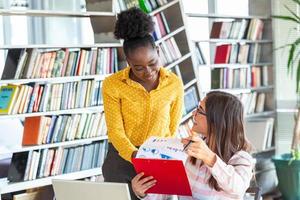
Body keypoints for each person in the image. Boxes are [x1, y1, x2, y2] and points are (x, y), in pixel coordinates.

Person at [101, 7, 184, 200]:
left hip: (158, 159)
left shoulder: (174, 83)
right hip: (121, 160)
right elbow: (115, 131)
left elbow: (172, 128)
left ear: (158, 51)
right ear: (128, 61)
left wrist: (158, 155)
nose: (147, 71)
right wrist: (135, 155)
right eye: (138, 68)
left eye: (152, 63)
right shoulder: (113, 85)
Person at [132, 91, 254, 200]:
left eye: (200, 110)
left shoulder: (241, 158)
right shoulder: (189, 149)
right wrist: (143, 192)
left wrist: (210, 158)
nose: (193, 113)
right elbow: (166, 193)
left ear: (216, 120)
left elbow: (238, 188)